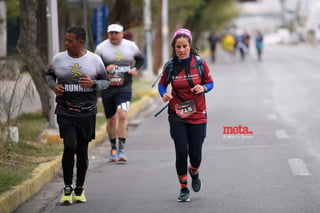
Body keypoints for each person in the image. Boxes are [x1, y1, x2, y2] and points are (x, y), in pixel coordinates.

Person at [46, 26, 109, 205]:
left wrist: (93, 83)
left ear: (81, 42)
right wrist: (53, 86)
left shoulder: (95, 60)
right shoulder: (58, 59)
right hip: (66, 110)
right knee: (70, 147)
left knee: (82, 151)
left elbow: (106, 82)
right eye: (65, 40)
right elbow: (49, 76)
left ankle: (79, 188)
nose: (66, 44)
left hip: (87, 112)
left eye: (70, 41)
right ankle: (67, 188)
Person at [157, 28, 214, 202]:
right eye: (178, 47)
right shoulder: (170, 65)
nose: (181, 50)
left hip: (198, 113)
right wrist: (164, 94)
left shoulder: (199, 63)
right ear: (174, 47)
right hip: (176, 113)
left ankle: (194, 171)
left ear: (190, 46)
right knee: (181, 151)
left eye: (185, 46)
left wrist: (202, 88)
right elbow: (162, 85)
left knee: (195, 154)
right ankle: (183, 188)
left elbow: (210, 83)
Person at [95, 23, 144, 162]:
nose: (114, 36)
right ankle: (113, 148)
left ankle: (121, 149)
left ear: (122, 33)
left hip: (125, 86)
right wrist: (105, 68)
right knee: (111, 120)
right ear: (108, 34)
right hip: (108, 88)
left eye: (117, 33)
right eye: (111, 33)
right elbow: (94, 66)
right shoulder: (101, 48)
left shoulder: (131, 46)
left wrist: (135, 69)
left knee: (122, 115)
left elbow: (141, 59)